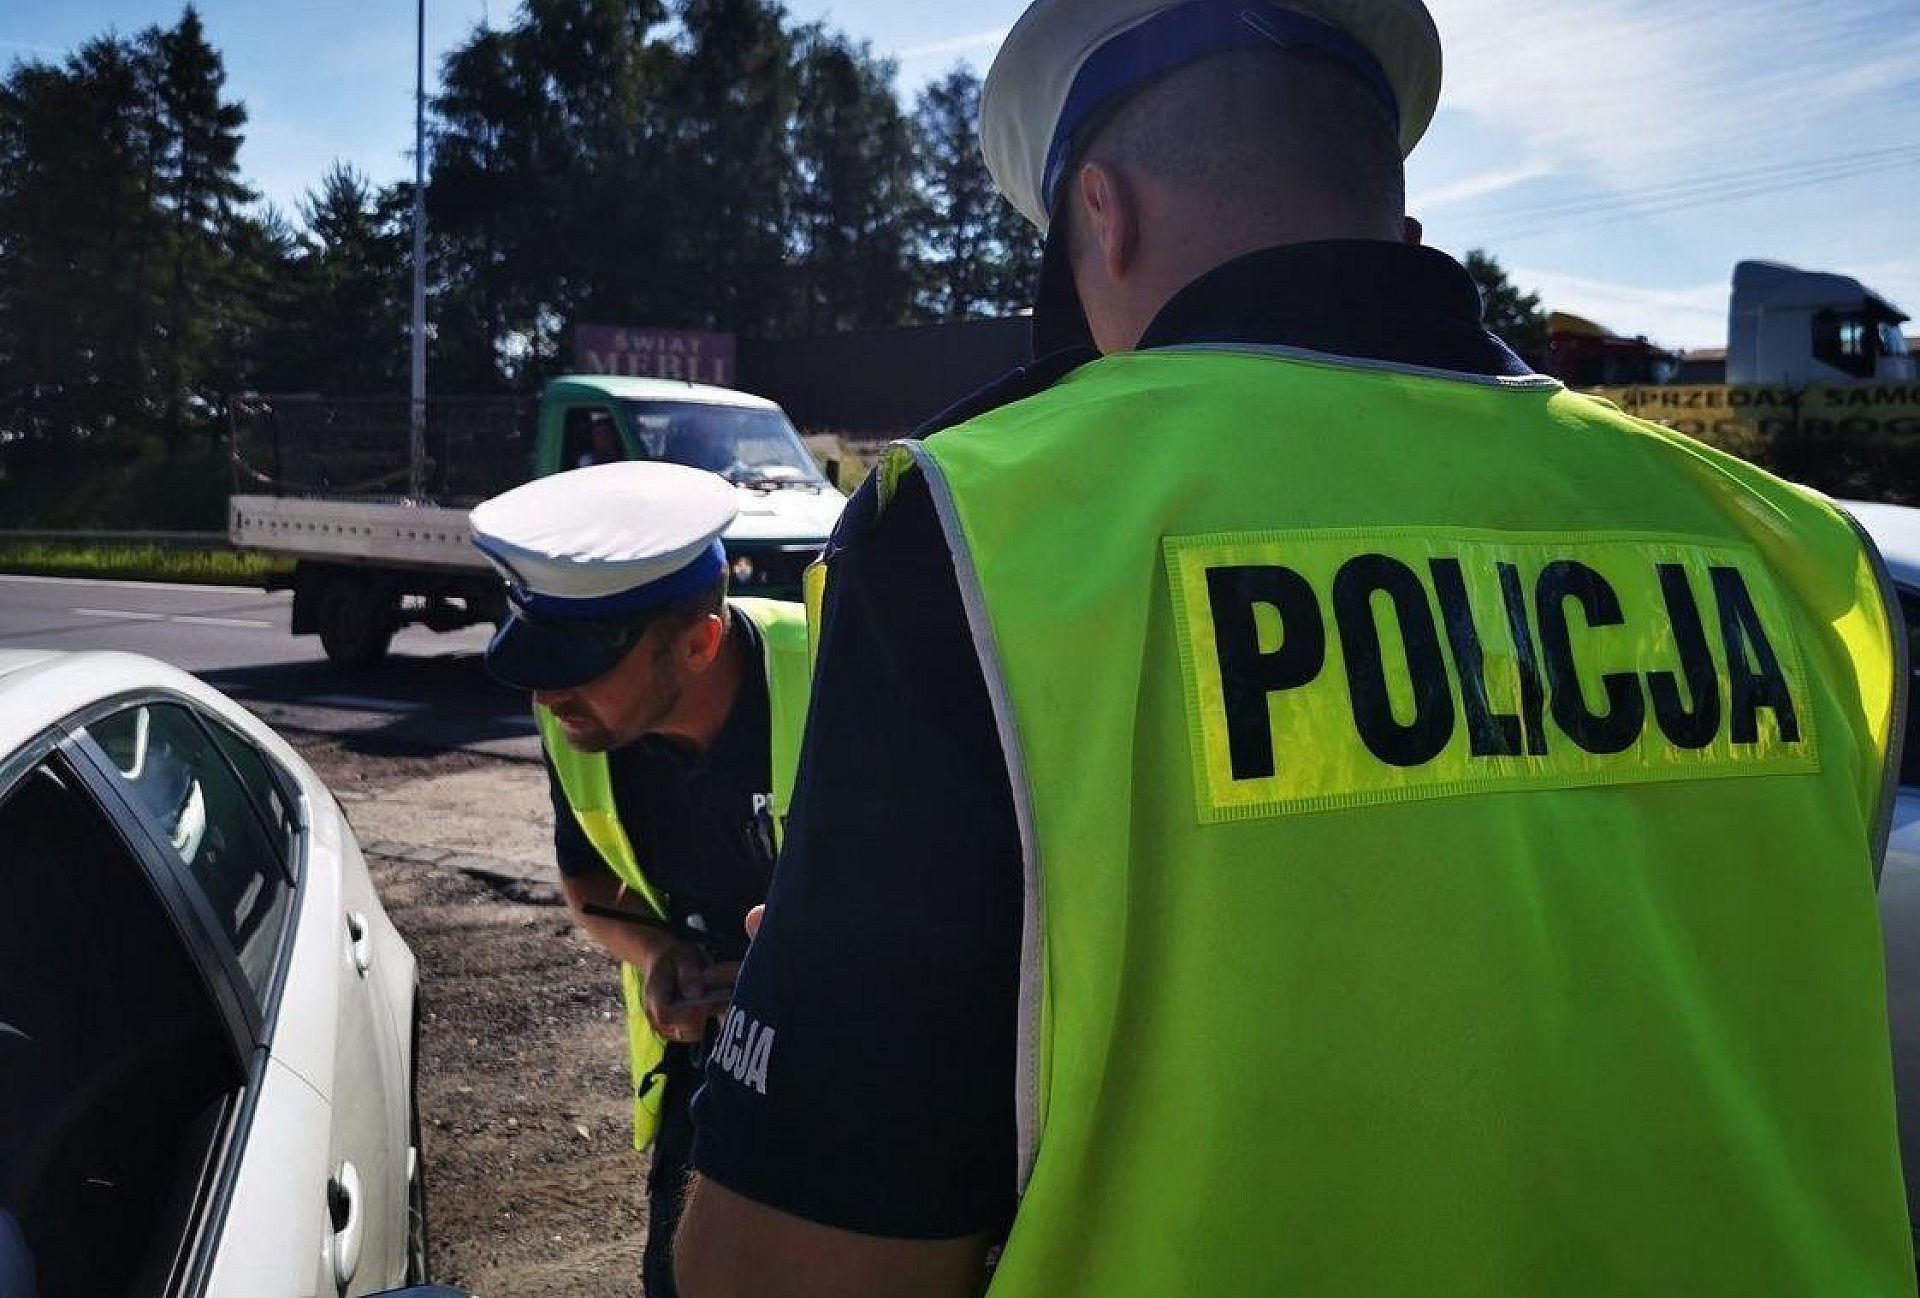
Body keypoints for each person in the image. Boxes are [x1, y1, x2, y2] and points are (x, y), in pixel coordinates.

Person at [675, 1, 1916, 1295]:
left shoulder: (983, 524)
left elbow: (785, 1271)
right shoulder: (1799, 551)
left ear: (1102, 214)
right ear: (1399, 217)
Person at [468, 462, 812, 1298]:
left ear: (697, 643)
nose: (549, 697)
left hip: (861, 1066)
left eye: (579, 664)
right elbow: (588, 881)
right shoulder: (573, 717)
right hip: (707, 1071)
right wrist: (655, 952)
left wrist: (803, 978)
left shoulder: (838, 665)